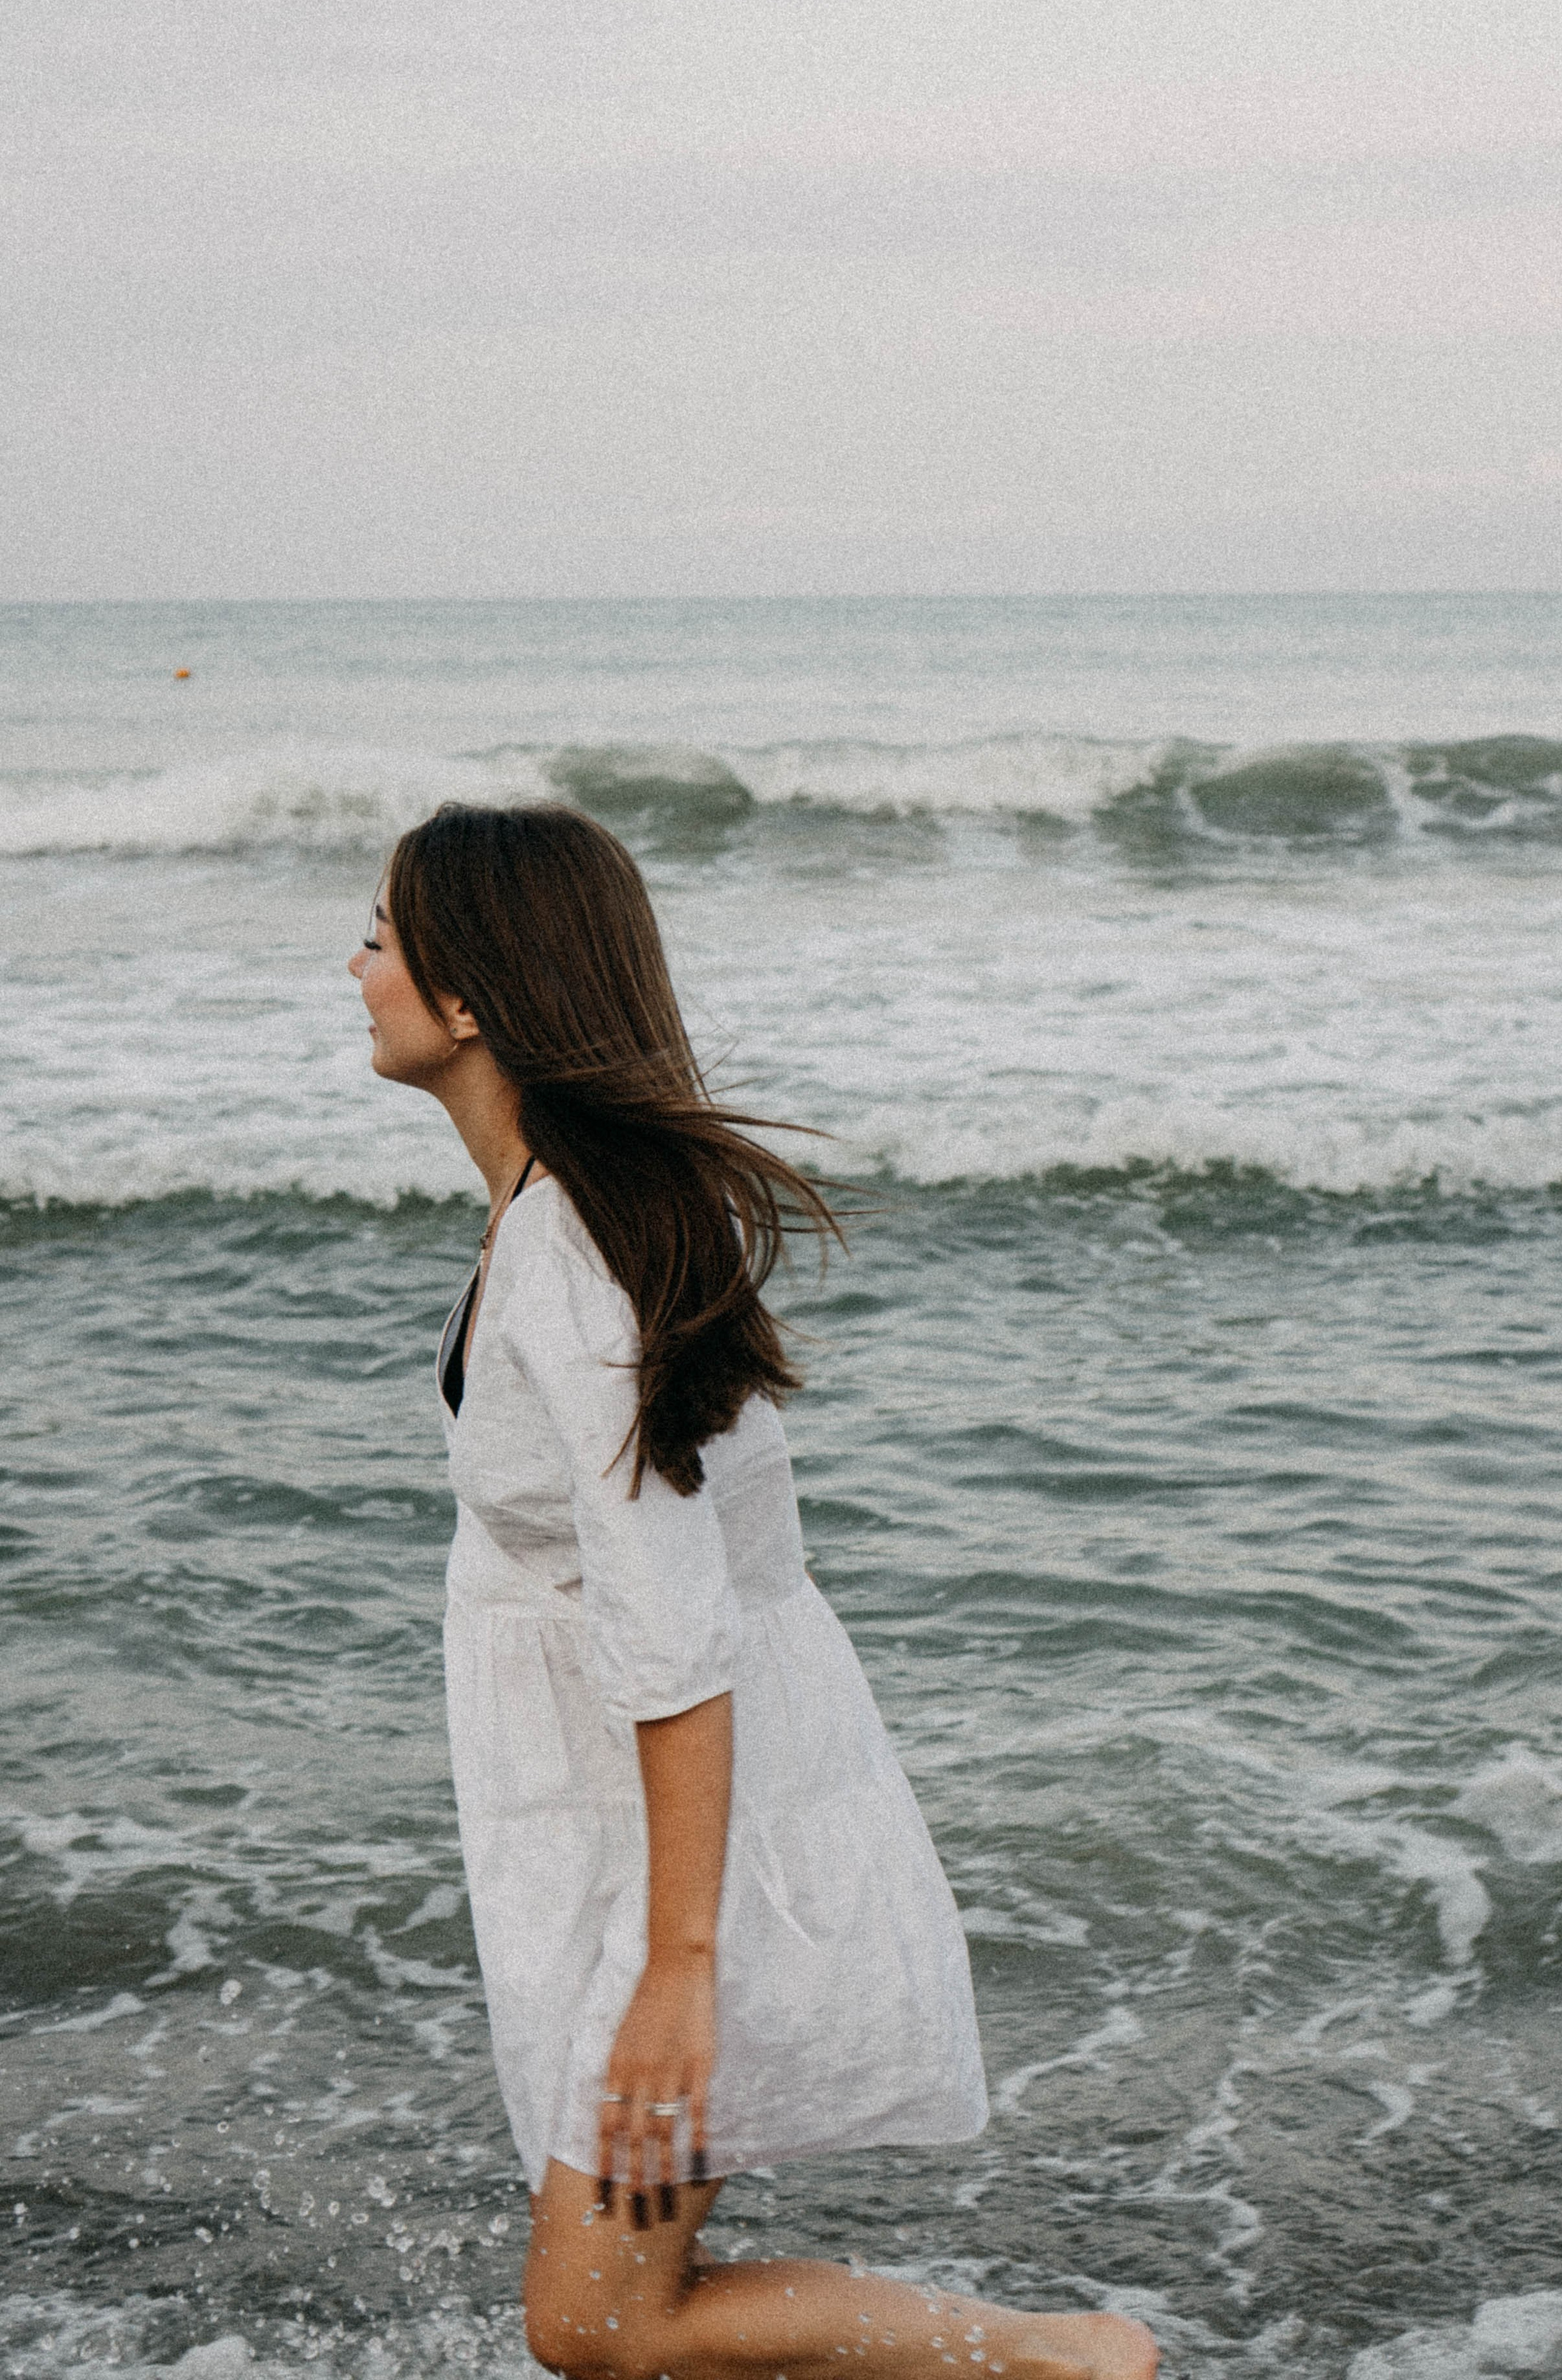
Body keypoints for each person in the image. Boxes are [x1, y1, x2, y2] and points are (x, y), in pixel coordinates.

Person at [349, 801, 1158, 2380]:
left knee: (594, 2323)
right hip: (629, 1820)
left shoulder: (578, 1251)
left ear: (471, 998)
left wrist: (676, 1965)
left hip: (689, 1842)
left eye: (383, 937)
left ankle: (1071, 2363)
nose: (356, 967)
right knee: (619, 2304)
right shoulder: (565, 1210)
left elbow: (672, 1628)